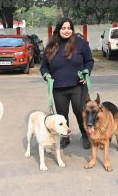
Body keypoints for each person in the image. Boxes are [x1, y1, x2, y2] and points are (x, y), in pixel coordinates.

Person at [40, 17, 94, 149]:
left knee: (80, 112)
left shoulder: (80, 43)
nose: (66, 31)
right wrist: (46, 75)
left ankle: (86, 135)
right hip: (58, 88)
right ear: (58, 30)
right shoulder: (51, 46)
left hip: (78, 86)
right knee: (62, 115)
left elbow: (89, 60)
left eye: (69, 28)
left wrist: (87, 71)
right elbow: (44, 66)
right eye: (63, 28)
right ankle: (65, 137)